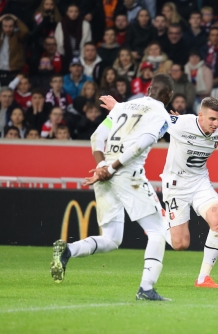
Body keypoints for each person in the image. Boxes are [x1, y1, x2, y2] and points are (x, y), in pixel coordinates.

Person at [50, 73, 174, 302]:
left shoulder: (122, 107)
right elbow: (142, 144)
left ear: (148, 90)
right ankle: (146, 289)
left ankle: (68, 250)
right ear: (169, 96)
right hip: (127, 174)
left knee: (112, 238)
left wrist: (102, 166)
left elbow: (96, 136)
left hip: (104, 172)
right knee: (158, 231)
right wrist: (114, 167)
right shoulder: (161, 114)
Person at [101, 95, 218, 288]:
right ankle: (159, 222)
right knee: (180, 244)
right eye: (212, 119)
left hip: (200, 183)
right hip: (176, 186)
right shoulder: (180, 123)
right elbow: (149, 117)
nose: (216, 124)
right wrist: (118, 107)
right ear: (200, 116)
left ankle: (203, 278)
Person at [0, 14, 29, 86]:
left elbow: (25, 31)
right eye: (5, 26)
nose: (7, 29)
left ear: (14, 26)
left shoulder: (17, 35)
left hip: (14, 70)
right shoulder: (1, 34)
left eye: (10, 26)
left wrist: (16, 19)